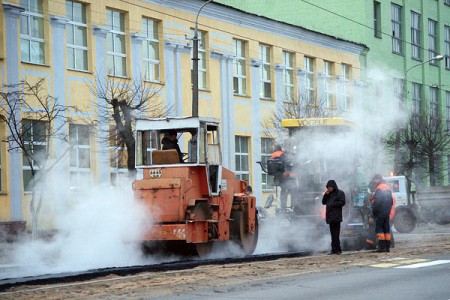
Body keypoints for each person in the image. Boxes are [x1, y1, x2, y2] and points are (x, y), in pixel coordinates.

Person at [370, 174, 395, 253]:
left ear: (378, 180)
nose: (374, 182)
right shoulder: (387, 188)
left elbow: (377, 202)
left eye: (375, 180)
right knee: (386, 230)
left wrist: (374, 212)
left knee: (380, 230)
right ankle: (387, 247)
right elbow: (391, 201)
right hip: (387, 213)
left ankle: (382, 247)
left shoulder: (379, 188)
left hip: (380, 213)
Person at [322, 180, 346, 255]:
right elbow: (323, 202)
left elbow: (342, 202)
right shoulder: (328, 194)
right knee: (333, 234)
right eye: (327, 187)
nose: (328, 189)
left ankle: (337, 249)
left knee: (336, 234)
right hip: (330, 216)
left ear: (333, 187)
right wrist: (325, 195)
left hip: (336, 217)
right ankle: (335, 249)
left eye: (329, 187)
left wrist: (333, 204)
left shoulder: (340, 193)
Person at [270, 145, 290, 211]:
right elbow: (287, 164)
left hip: (277, 176)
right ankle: (284, 207)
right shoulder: (283, 155)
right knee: (285, 190)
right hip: (283, 176)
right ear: (281, 149)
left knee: (283, 190)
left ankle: (282, 207)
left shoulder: (273, 155)